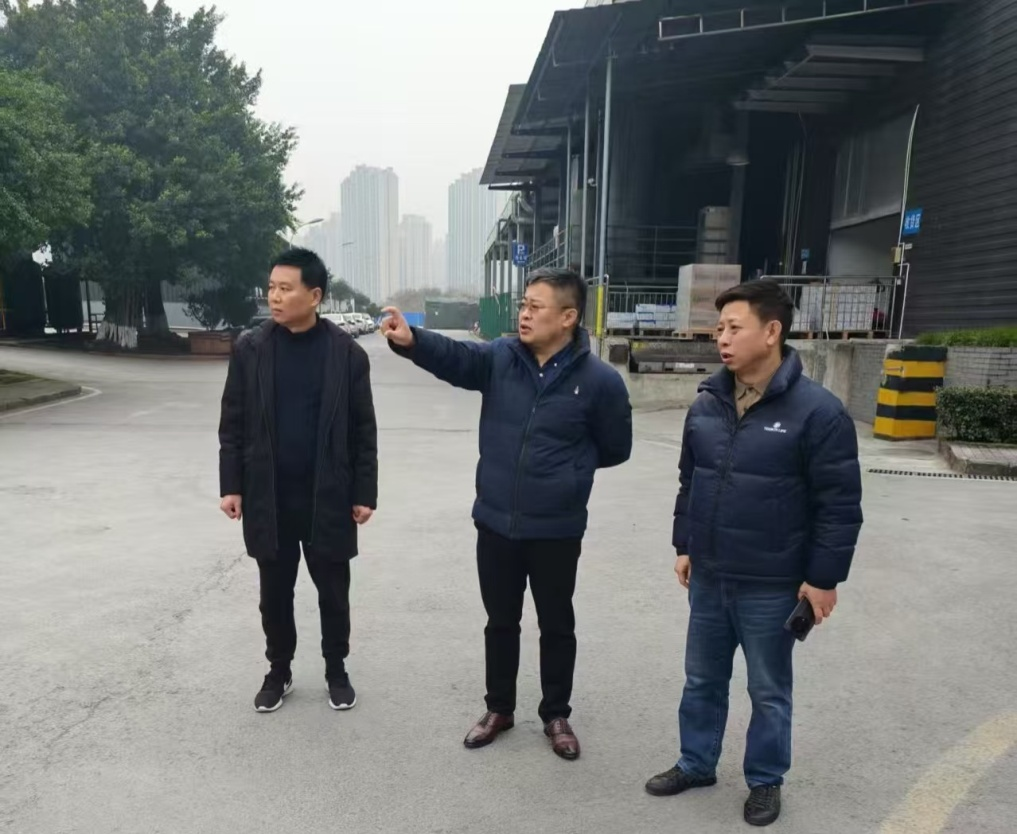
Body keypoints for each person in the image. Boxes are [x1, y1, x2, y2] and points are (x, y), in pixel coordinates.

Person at [381, 267, 632, 760]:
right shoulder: (501, 358)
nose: (524, 314)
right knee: (501, 621)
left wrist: (569, 473)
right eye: (523, 304)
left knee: (556, 624)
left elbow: (615, 447)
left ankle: (556, 714)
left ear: (568, 317)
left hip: (557, 528)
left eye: (536, 306)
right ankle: (499, 708)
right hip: (496, 521)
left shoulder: (599, 381)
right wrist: (413, 341)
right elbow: (456, 358)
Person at [644, 279, 862, 827]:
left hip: (772, 582)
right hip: (710, 575)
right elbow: (690, 481)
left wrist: (823, 579)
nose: (721, 338)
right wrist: (685, 545)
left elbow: (839, 506)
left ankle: (765, 780)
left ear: (771, 332)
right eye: (719, 328)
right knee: (701, 680)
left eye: (734, 328)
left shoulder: (819, 413)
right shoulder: (707, 403)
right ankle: (696, 763)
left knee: (768, 690)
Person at [218, 247, 378, 714]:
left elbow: (363, 430)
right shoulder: (251, 349)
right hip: (269, 495)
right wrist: (232, 485)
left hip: (327, 494)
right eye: (271, 287)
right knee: (274, 594)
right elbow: (233, 422)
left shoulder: (346, 354)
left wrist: (364, 492)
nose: (274, 296)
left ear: (314, 296)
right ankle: (279, 669)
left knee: (333, 592)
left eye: (285, 289)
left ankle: (336, 670)